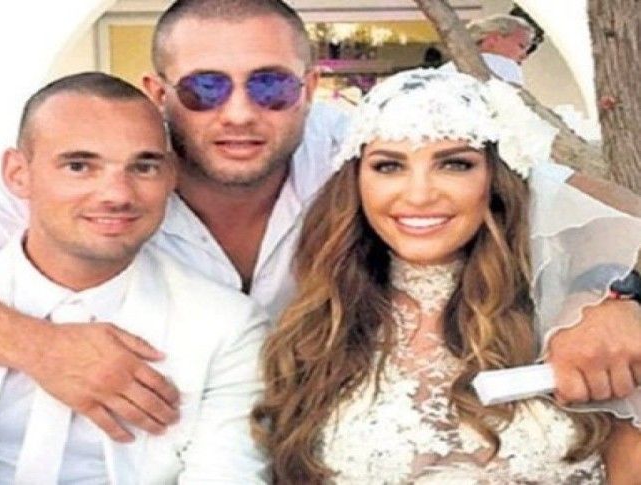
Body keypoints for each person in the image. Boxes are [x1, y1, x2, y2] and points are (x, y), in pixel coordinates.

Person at [0, 0, 640, 440]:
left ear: (307, 87)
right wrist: (40, 348)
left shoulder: (372, 153)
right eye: (205, 87)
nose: (239, 113)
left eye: (269, 86)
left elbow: (600, 214)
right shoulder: (109, 179)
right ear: (159, 91)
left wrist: (614, 301)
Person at [0, 72, 268, 483]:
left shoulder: (225, 326)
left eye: (144, 167)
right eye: (79, 166)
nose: (117, 194)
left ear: (170, 177)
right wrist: (38, 348)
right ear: (18, 173)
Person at [252, 69, 641, 484]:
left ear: (496, 178)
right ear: (357, 182)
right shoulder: (319, 330)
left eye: (454, 164)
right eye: (389, 166)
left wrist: (616, 294)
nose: (419, 194)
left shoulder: (579, 318)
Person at [443, 14, 536, 86]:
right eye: (522, 46)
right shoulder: (507, 67)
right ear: (493, 39)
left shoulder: (449, 63)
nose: (524, 56)